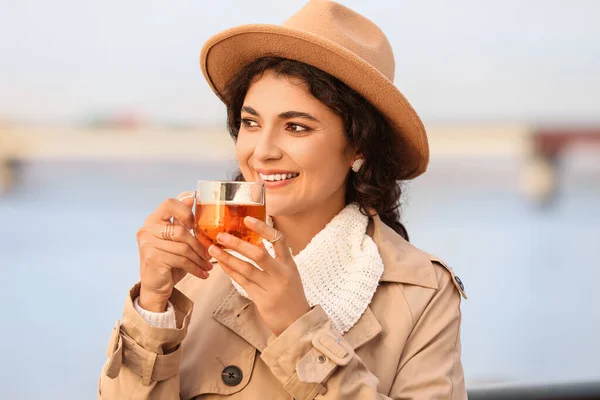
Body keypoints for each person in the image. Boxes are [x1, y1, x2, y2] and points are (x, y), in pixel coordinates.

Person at [98, 1, 468, 398]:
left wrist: (298, 327)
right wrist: (153, 305)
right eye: (251, 123)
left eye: (296, 127)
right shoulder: (195, 265)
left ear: (359, 145)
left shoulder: (422, 292)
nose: (262, 151)